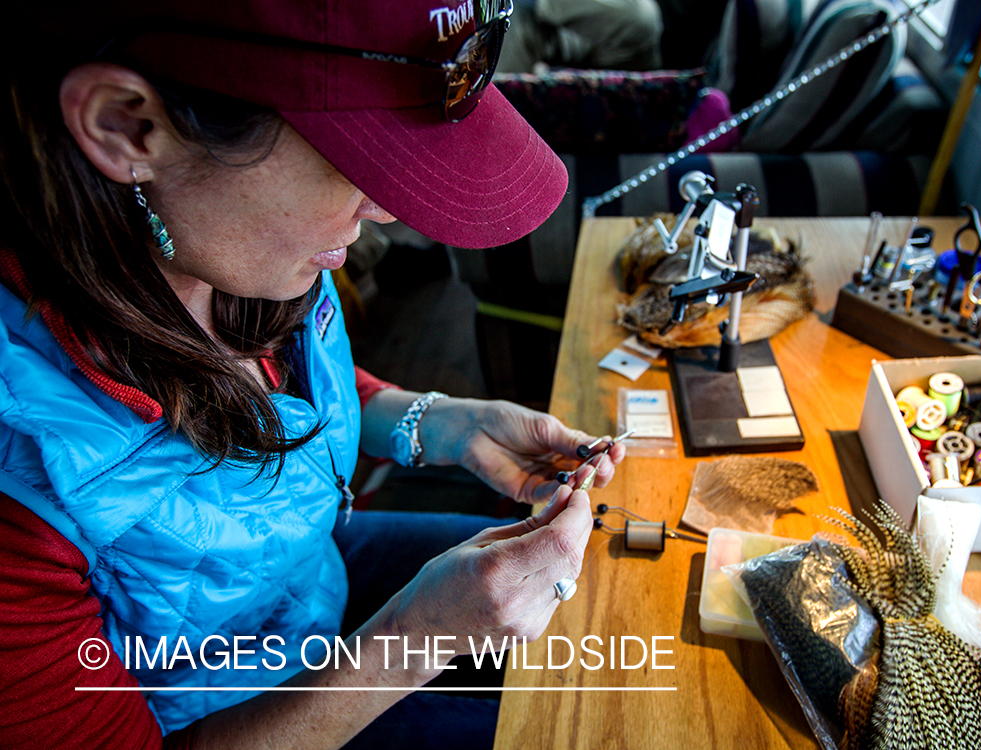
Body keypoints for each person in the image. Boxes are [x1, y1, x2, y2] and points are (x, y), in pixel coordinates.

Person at [0, 1, 626, 748]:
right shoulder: (21, 478)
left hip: (306, 577)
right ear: (126, 126)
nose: (393, 207)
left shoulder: (230, 242)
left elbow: (271, 395)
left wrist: (432, 421)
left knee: (607, 598)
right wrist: (415, 639)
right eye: (358, 159)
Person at [496, 0, 665, 74]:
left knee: (641, 17)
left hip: (631, 38)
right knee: (511, 21)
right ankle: (497, 128)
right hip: (550, 27)